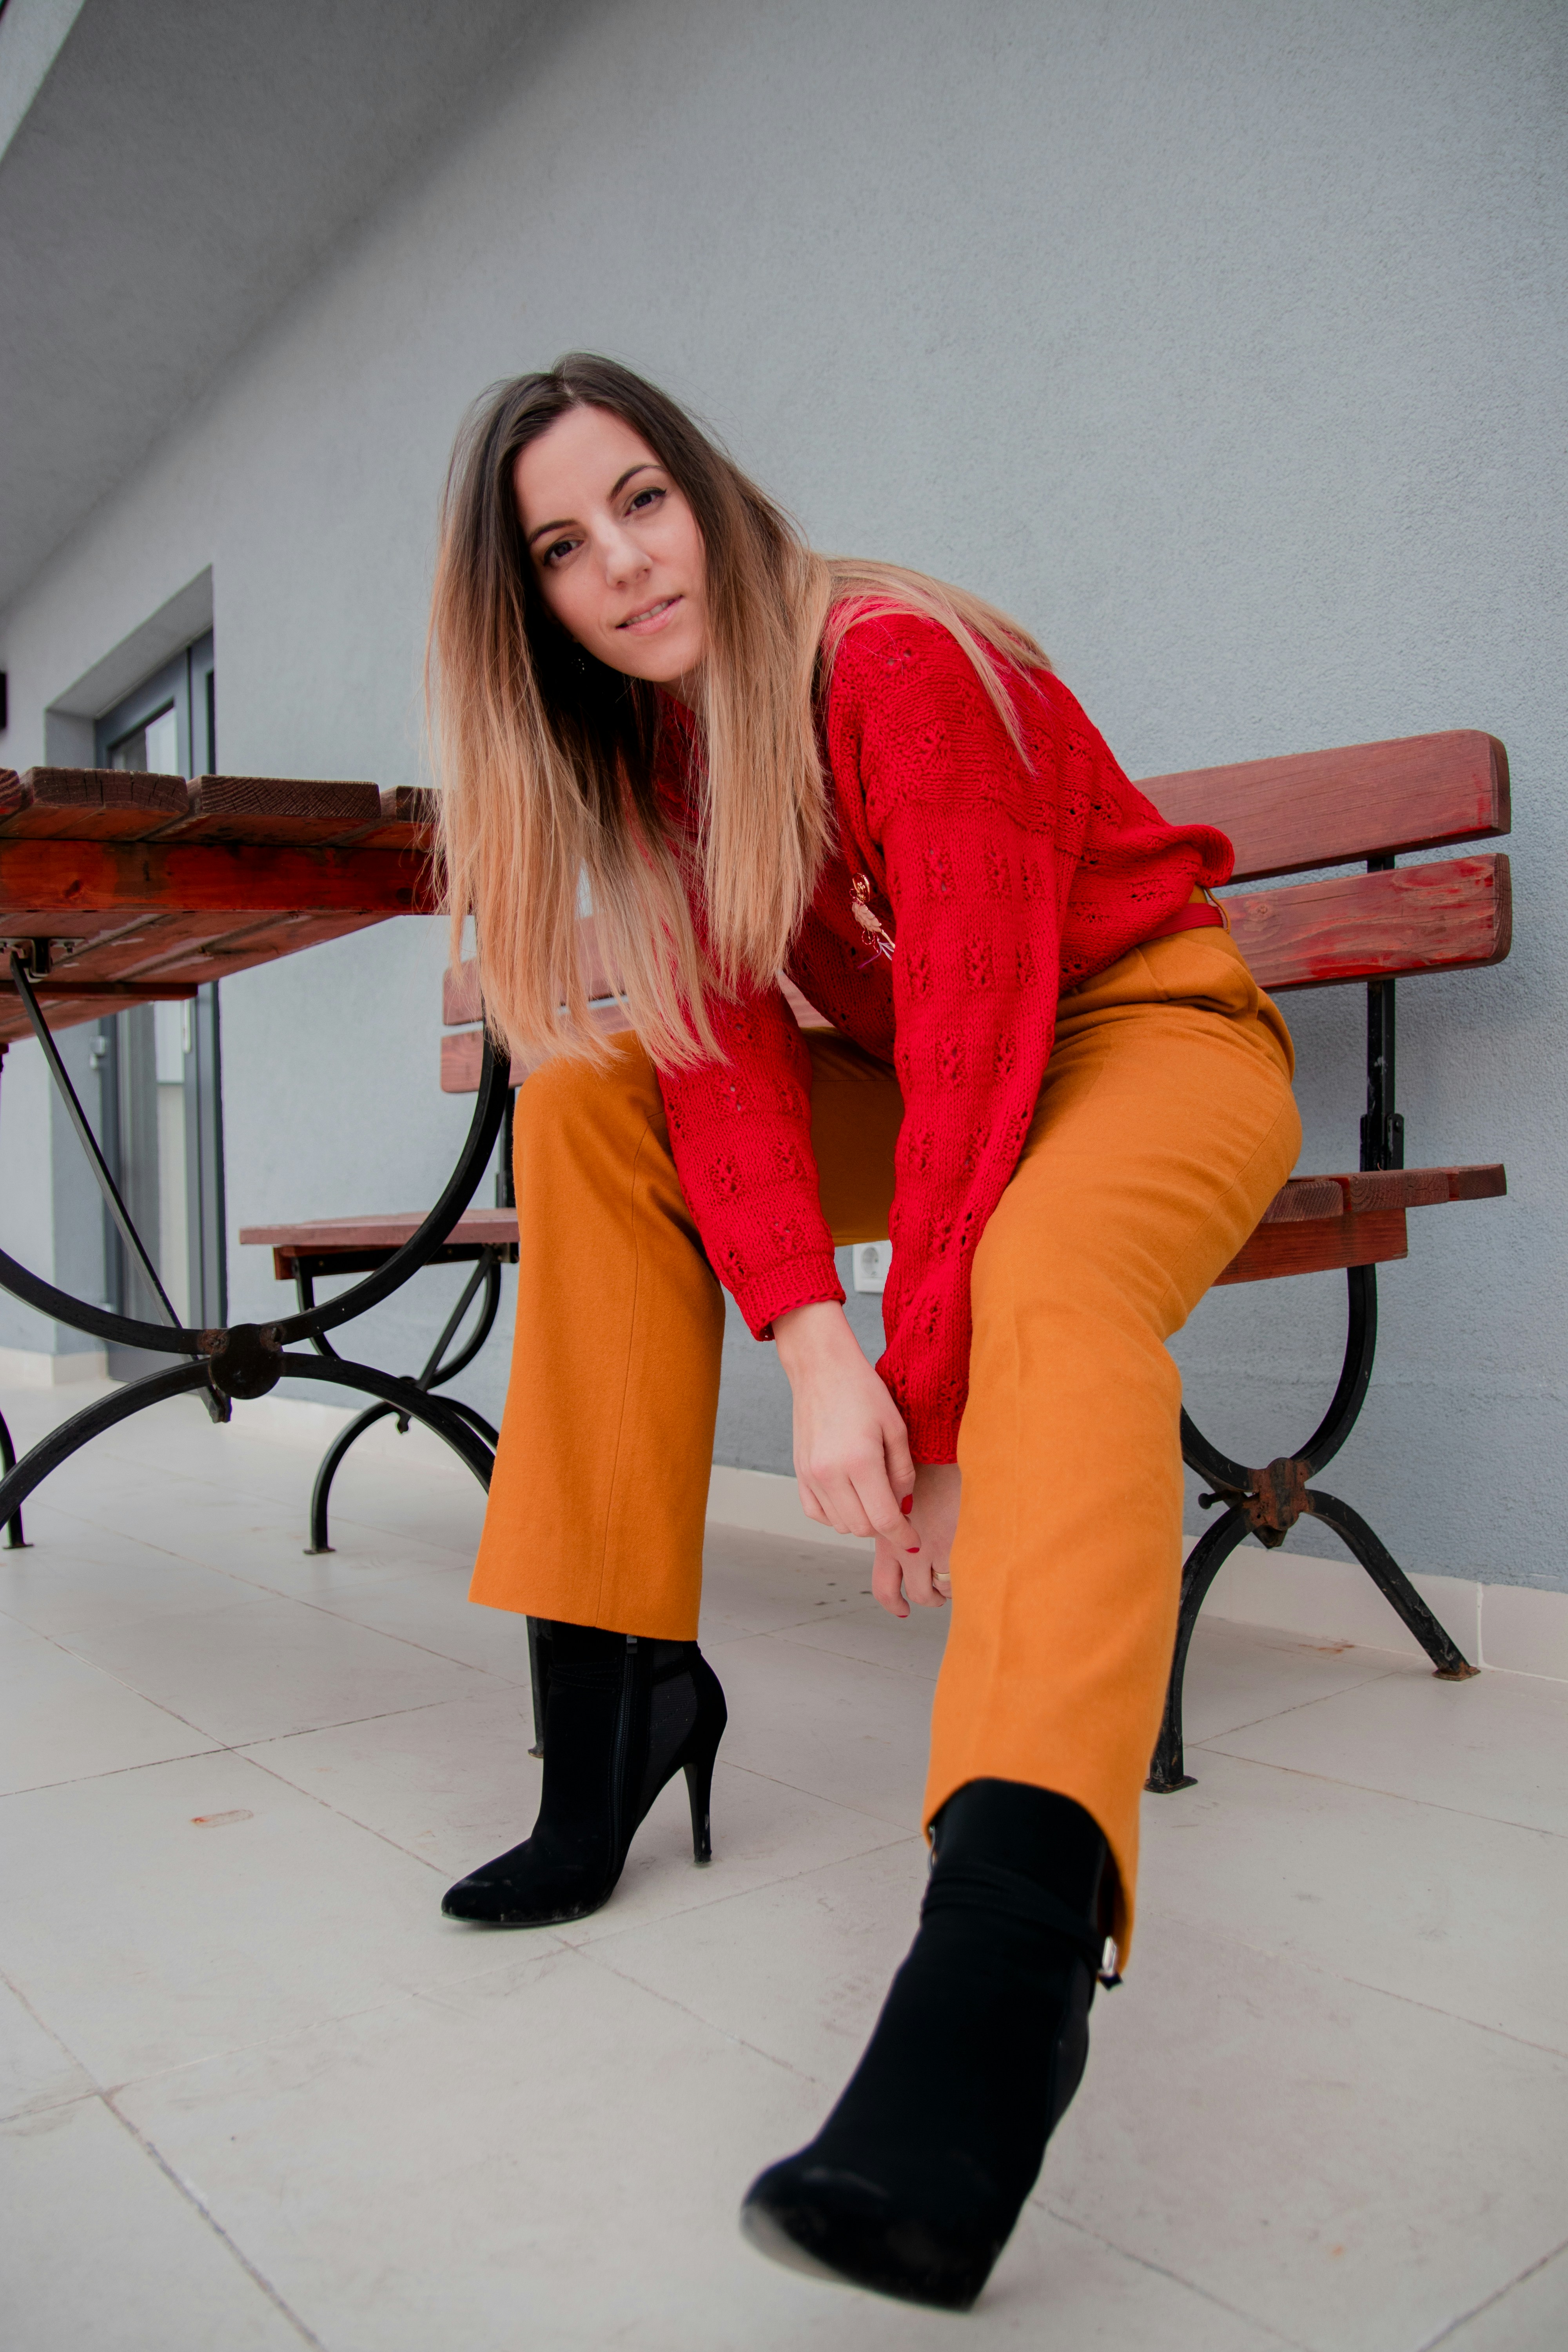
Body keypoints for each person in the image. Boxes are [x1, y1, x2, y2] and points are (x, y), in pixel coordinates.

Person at [426, 354, 1300, 2311]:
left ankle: (1002, 1974)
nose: (625, 567)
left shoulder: (888, 661)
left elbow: (989, 1039)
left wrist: (923, 1400)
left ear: (709, 486)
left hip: (1145, 1038)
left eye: (640, 498)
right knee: (585, 1093)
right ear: (537, 610)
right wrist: (817, 1353)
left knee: (1051, 1284)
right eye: (565, 550)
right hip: (956, 1079)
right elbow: (725, 1067)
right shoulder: (661, 763)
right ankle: (616, 1703)